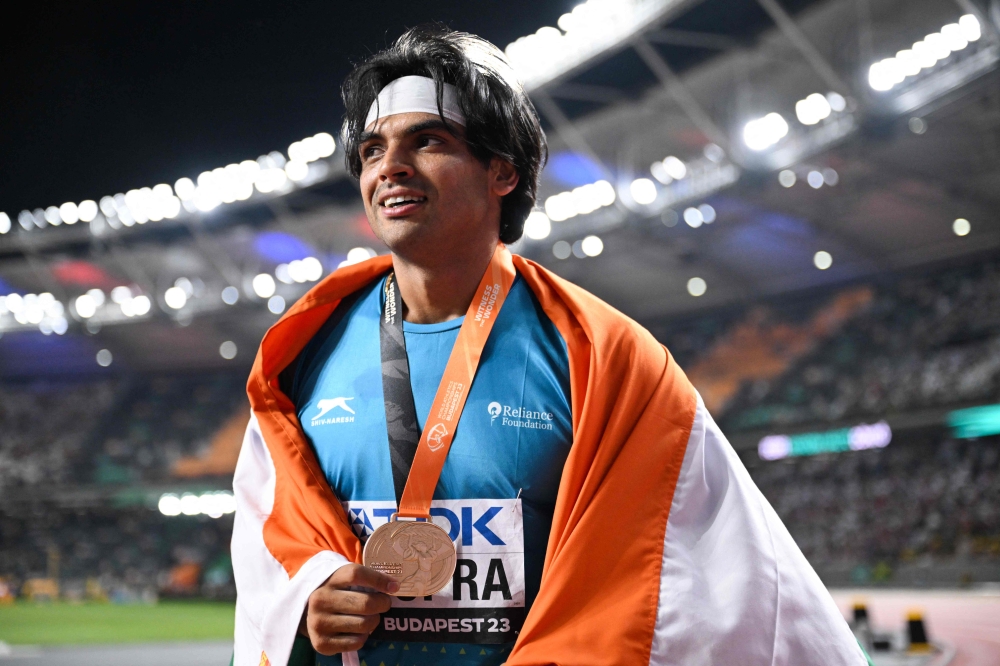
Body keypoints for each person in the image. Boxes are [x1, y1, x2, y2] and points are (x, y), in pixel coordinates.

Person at [232, 26, 870, 666]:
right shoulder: (299, 355)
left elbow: (697, 581)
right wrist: (308, 594)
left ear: (500, 172)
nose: (390, 166)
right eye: (372, 150)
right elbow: (274, 540)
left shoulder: (606, 358)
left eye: (428, 141)